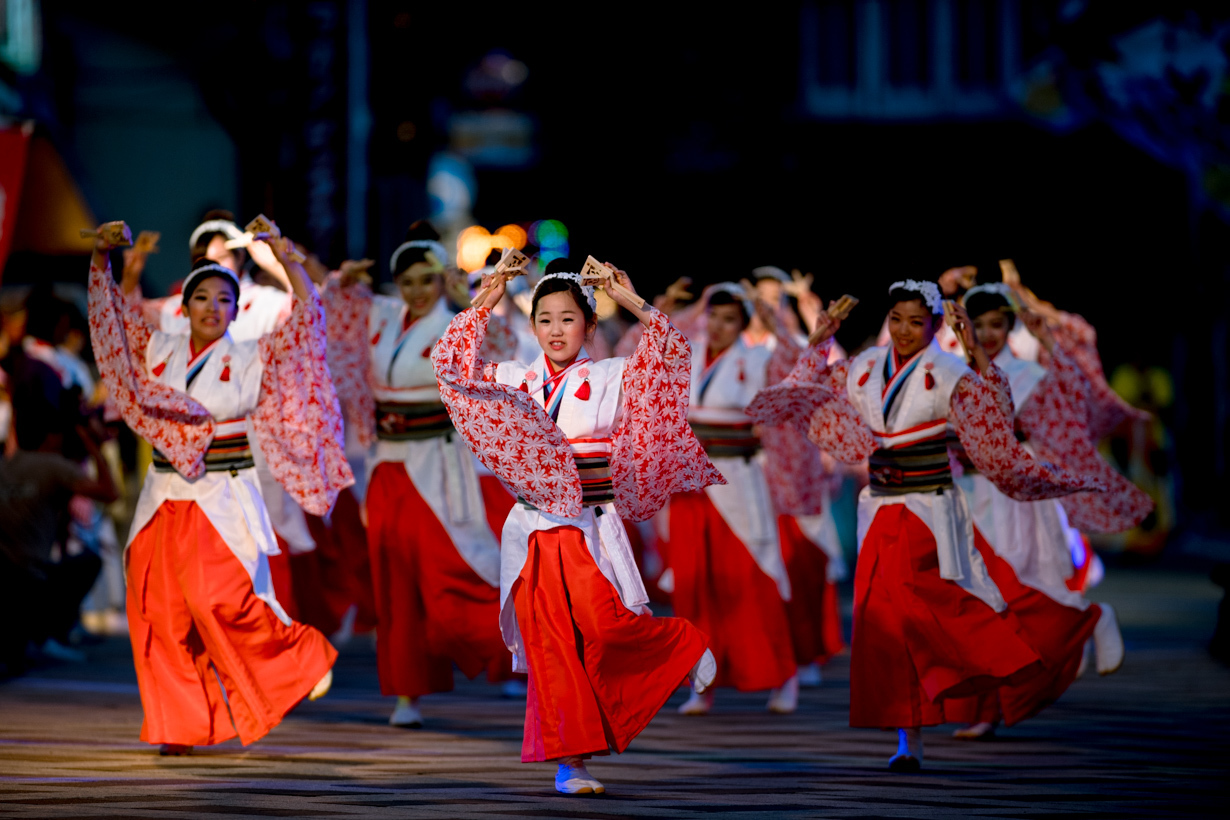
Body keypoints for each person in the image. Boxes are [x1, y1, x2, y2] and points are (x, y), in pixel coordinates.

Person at [749, 279, 1100, 770]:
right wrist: (820, 340)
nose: (905, 330)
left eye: (917, 321)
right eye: (897, 319)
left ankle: (1027, 651)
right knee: (884, 624)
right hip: (879, 506)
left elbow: (995, 419)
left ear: (937, 325)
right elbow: (803, 395)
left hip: (929, 508)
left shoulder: (951, 371)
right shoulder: (867, 366)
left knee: (930, 609)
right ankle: (907, 737)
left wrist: (976, 353)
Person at [432, 259, 720, 795]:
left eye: (568, 319)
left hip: (589, 526)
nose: (556, 330)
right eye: (545, 320)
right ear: (533, 325)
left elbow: (672, 353)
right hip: (534, 529)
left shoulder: (611, 375)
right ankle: (572, 764)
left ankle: (678, 643)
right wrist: (486, 299)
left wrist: (631, 299)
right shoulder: (514, 377)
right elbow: (450, 370)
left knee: (607, 629)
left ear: (589, 325)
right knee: (552, 650)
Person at [87, 220, 351, 755]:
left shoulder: (254, 356)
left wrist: (286, 257)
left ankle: (300, 659)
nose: (212, 306)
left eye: (223, 298)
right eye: (201, 297)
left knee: (219, 600)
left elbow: (308, 321)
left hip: (222, 494)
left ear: (237, 308)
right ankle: (180, 724)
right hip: (161, 497)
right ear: (183, 306)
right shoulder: (158, 347)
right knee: (157, 612)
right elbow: (110, 325)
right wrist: (101, 261)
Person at [321, 221, 515, 727]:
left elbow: (500, 347)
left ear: (440, 280)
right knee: (394, 580)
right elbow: (329, 313)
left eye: (426, 280)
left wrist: (469, 302)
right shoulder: (381, 317)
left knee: (452, 572)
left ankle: (516, 647)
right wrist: (333, 276)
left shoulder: (460, 322)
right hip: (389, 465)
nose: (416, 290)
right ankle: (407, 692)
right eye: (406, 281)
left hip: (438, 461)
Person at [944, 284, 1146, 737]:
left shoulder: (1027, 373)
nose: (989, 333)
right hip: (967, 496)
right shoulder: (952, 370)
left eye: (998, 324)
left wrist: (1051, 343)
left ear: (1011, 328)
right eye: (980, 324)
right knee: (975, 604)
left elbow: (1079, 402)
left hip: (1015, 500)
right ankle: (986, 707)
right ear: (964, 327)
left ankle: (1089, 619)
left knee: (1016, 596)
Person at [666, 284, 797, 715]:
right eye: (713, 316)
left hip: (736, 480)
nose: (718, 326)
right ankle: (700, 683)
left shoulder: (757, 358)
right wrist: (666, 308)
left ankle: (783, 676)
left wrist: (776, 321)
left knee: (750, 578)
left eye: (729, 319)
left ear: (743, 325)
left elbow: (793, 373)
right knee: (694, 583)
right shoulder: (687, 351)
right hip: (690, 486)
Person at [0, 383, 117, 674]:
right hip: (30, 580)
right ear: (53, 436)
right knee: (90, 560)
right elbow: (110, 491)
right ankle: (47, 636)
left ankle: (27, 641)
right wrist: (90, 443)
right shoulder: (53, 467)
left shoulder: (6, 464)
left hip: (6, 574)